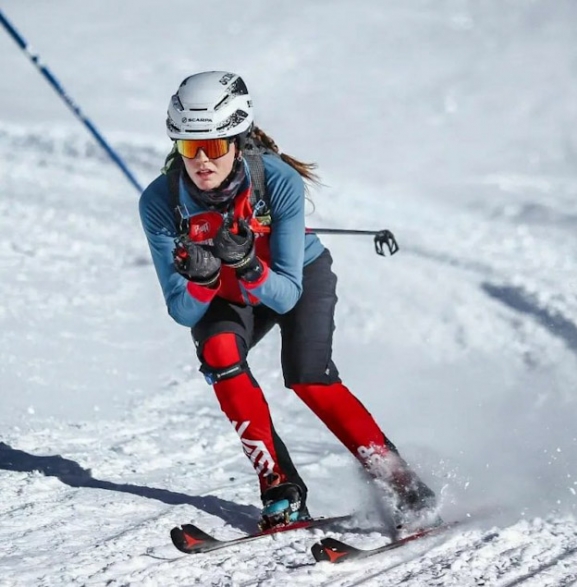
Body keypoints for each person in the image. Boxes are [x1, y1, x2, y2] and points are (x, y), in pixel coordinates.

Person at [139, 71, 436, 530]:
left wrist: (247, 264)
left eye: (214, 147)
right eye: (187, 147)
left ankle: (399, 481)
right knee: (218, 351)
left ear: (237, 141)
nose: (200, 161)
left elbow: (287, 293)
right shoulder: (161, 202)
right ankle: (280, 488)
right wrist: (201, 277)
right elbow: (182, 310)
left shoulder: (276, 180)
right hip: (226, 289)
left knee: (308, 377)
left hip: (292, 278)